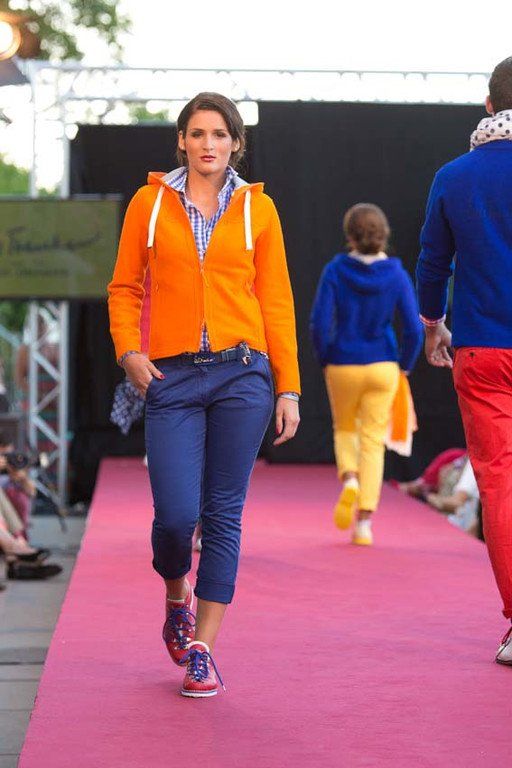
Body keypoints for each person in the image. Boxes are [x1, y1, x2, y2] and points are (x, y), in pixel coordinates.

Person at [108, 92, 301, 697]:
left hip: (243, 373)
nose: (208, 144)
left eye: (219, 134)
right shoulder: (148, 203)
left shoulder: (258, 209)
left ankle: (204, 649)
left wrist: (288, 388)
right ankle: (176, 595)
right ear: (182, 141)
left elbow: (276, 300)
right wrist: (128, 351)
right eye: (197, 133)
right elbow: (124, 287)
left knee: (222, 513)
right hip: (171, 377)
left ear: (236, 143)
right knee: (175, 518)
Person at [416, 56, 512, 666]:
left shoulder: (454, 176)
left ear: (488, 106)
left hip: (482, 350)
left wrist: (433, 325)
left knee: (499, 485)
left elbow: (433, 264)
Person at [310, 203, 422, 546]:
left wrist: (325, 357)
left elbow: (319, 322)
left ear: (349, 236)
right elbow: (413, 328)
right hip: (383, 365)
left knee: (345, 429)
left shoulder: (335, 270)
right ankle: (364, 524)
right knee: (373, 441)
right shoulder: (396, 274)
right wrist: (404, 364)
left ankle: (350, 480)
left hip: (343, 362)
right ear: (384, 235)